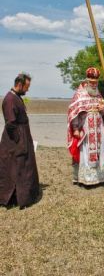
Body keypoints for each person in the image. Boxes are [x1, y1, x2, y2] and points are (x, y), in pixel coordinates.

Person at [67, 67, 104, 186]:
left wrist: (103, 109)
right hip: (86, 130)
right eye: (92, 82)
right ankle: (86, 179)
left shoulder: (98, 94)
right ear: (87, 81)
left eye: (96, 83)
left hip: (99, 128)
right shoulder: (79, 94)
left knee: (100, 151)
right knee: (86, 153)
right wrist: (75, 129)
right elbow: (73, 112)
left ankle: (100, 177)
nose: (94, 85)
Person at [0, 73, 39, 208]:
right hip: (14, 140)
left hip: (22, 135)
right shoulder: (9, 99)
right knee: (14, 166)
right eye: (26, 87)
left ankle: (24, 195)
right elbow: (10, 123)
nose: (27, 90)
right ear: (20, 84)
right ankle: (12, 197)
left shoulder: (16, 97)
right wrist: (20, 140)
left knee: (24, 166)